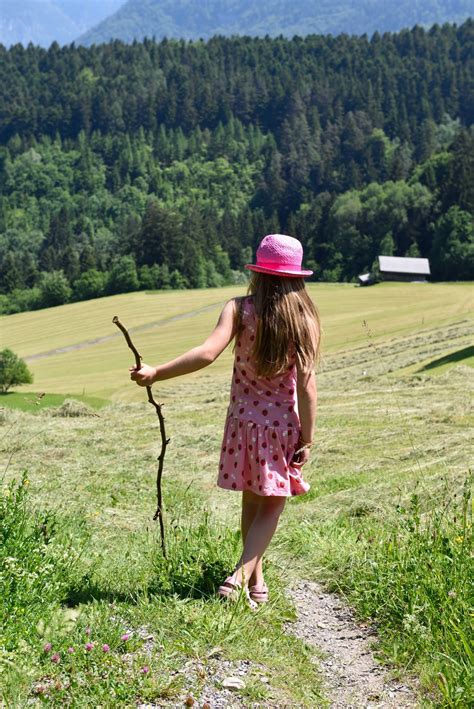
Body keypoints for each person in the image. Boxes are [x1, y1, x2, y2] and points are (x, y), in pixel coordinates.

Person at [130, 233, 321, 610]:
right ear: (297, 276)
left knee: (254, 498)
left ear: (258, 273)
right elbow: (307, 385)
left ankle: (256, 580)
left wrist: (156, 373)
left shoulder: (239, 309)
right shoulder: (305, 319)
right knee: (273, 504)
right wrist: (307, 437)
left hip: (241, 422)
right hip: (281, 425)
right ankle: (238, 576)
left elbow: (205, 354)